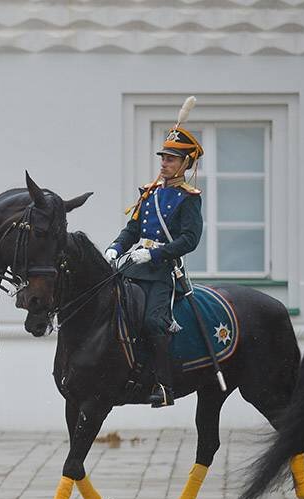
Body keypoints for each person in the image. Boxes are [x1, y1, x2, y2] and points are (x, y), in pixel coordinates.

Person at [104, 98, 205, 407]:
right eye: (163, 157)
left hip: (163, 271)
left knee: (151, 322)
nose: (164, 163)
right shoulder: (149, 192)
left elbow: (190, 239)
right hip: (133, 265)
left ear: (185, 164)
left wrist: (155, 255)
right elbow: (133, 230)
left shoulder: (189, 199)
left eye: (171, 159)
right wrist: (115, 247)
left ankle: (163, 385)